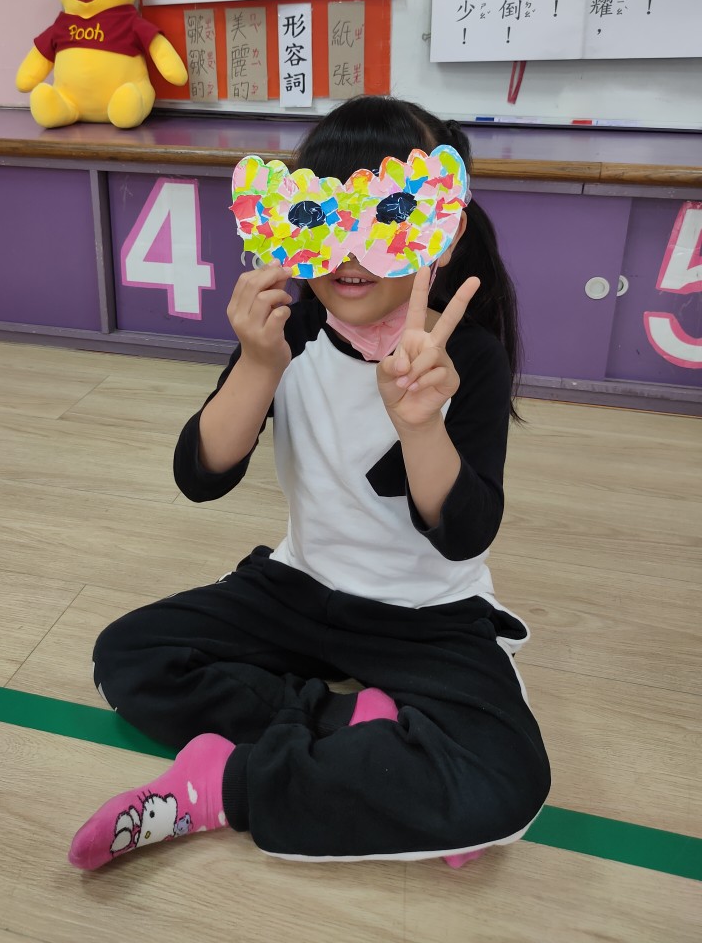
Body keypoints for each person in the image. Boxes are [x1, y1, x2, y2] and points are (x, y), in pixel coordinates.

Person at [69, 95, 551, 871]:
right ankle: (361, 731)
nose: (348, 253)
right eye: (321, 217)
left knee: (507, 779)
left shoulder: (468, 358)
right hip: (301, 587)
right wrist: (259, 364)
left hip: (426, 613)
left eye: (383, 214)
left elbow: (464, 533)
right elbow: (201, 476)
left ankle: (222, 785)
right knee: (132, 653)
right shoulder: (291, 330)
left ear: (441, 229)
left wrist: (420, 425)